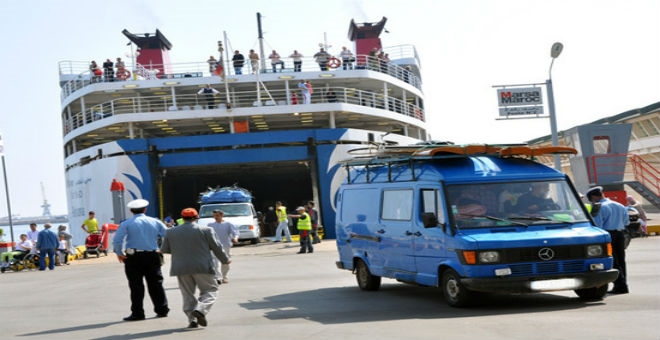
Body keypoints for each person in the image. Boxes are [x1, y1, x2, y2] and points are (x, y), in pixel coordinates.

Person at [160, 208, 230, 329]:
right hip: (202, 266)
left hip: (181, 267)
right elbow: (216, 247)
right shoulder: (206, 230)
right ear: (196, 218)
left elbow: (164, 249)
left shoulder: (171, 232)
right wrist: (225, 260)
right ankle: (201, 309)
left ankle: (192, 320)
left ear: (182, 218)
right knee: (211, 290)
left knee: (187, 294)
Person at [112, 199, 169, 321]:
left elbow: (117, 240)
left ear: (131, 211)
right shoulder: (155, 221)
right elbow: (168, 235)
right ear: (145, 209)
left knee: (135, 285)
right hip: (152, 255)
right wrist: (162, 249)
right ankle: (162, 309)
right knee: (156, 283)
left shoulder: (126, 224)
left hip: (133, 257)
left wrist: (119, 253)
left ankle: (138, 313)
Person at [586, 186, 630, 294]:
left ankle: (620, 285)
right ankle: (623, 283)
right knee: (621, 260)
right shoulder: (619, 205)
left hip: (608, 235)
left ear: (594, 197)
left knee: (613, 260)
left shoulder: (599, 207)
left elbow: (598, 225)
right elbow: (626, 222)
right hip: (620, 234)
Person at [207, 210, 239, 284]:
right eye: (214, 216)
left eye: (217, 216)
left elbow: (235, 232)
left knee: (225, 262)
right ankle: (218, 277)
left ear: (222, 215)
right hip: (214, 246)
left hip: (226, 246)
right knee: (216, 262)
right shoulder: (210, 225)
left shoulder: (228, 224)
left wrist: (235, 238)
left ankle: (224, 276)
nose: (215, 217)